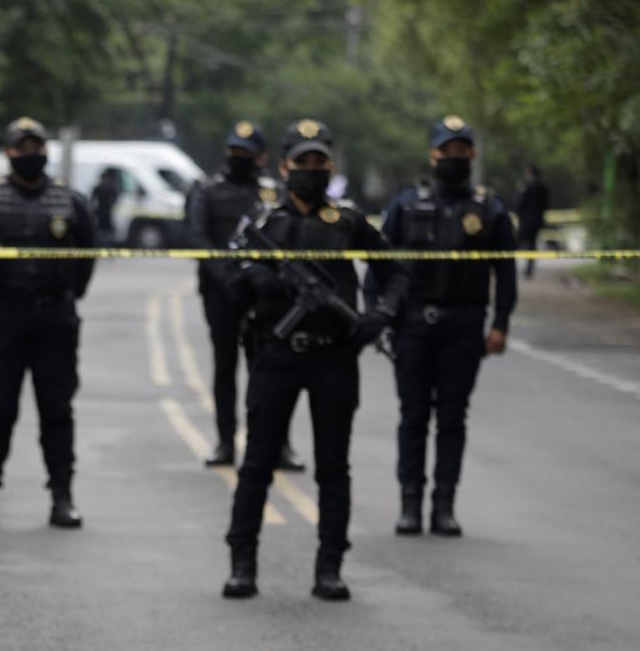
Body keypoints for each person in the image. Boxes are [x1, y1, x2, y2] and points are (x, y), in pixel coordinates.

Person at [221, 119, 407, 601]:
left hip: (333, 357)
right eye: (302, 162)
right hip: (276, 355)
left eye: (319, 161)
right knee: (258, 463)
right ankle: (243, 564)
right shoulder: (263, 225)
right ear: (284, 167)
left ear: (330, 165)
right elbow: (228, 282)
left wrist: (379, 316)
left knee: (333, 467)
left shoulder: (347, 222)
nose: (310, 169)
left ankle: (330, 567)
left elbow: (395, 272)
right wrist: (254, 282)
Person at [375, 115, 515, 537]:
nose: (453, 157)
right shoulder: (405, 204)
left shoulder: (489, 209)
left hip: (464, 325)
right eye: (446, 150)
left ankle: (444, 505)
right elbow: (379, 265)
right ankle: (410, 504)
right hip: (414, 324)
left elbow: (504, 274)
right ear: (432, 154)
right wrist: (379, 314)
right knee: (413, 415)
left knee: (453, 418)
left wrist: (501, 324)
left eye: (461, 150)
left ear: (471, 154)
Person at [0, 116, 96, 529]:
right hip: (4, 319)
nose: (30, 155)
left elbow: (87, 254)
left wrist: (69, 294)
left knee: (57, 409)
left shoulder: (69, 201)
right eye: (22, 148)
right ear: (9, 152)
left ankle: (62, 496)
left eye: (37, 147)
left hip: (55, 319)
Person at [183, 121, 304, 471]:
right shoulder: (207, 190)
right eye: (234, 152)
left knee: (270, 368)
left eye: (245, 154)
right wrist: (226, 274)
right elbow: (196, 236)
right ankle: (225, 442)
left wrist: (257, 277)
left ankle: (277, 444)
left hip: (263, 292)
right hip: (220, 292)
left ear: (261, 157)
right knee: (225, 366)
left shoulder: (271, 193)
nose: (239, 159)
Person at [515, 164, 550, 279]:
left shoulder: (528, 187)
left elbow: (522, 204)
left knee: (516, 243)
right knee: (532, 245)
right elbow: (545, 205)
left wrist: (519, 214)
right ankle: (529, 270)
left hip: (526, 221)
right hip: (537, 221)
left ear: (530, 172)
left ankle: (506, 266)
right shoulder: (543, 187)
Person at [90, 167, 121, 247]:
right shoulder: (107, 188)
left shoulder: (101, 188)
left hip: (103, 211)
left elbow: (92, 200)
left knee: (104, 230)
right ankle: (105, 245)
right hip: (104, 211)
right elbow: (115, 198)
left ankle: (104, 245)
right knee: (104, 230)